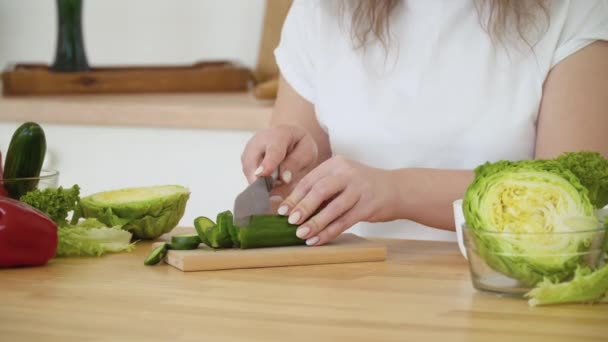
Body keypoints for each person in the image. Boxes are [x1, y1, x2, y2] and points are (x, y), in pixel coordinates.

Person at [240, 0, 608, 246]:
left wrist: (396, 190)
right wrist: (287, 165)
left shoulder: (575, 9)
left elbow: (573, 198)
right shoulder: (320, 9)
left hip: (507, 295)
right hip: (349, 292)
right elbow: (288, 197)